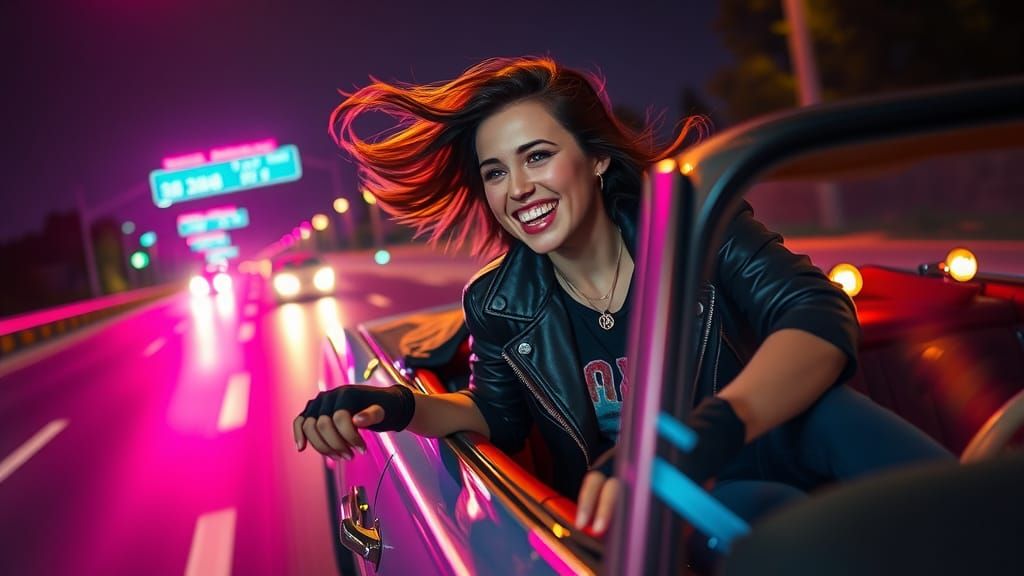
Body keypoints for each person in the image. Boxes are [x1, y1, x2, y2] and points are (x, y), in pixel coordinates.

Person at [294, 56, 952, 553]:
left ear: (597, 161)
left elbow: (814, 312)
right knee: (773, 514)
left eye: (538, 157)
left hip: (758, 439)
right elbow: (496, 415)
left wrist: (700, 432)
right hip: (648, 508)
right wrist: (399, 406)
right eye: (496, 172)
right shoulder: (497, 302)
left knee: (843, 423)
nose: (518, 188)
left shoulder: (694, 228)